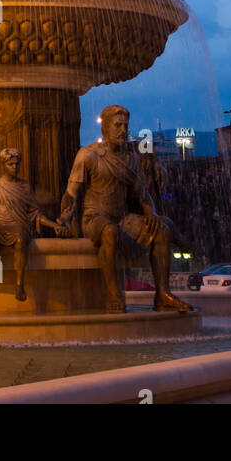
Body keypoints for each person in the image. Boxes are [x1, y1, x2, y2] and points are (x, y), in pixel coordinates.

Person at [59, 104, 192, 314]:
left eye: (125, 126)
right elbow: (72, 192)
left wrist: (152, 214)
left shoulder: (131, 159)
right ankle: (113, 293)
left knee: (161, 230)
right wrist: (65, 217)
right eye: (117, 125)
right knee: (110, 231)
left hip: (122, 218)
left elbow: (143, 194)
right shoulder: (88, 155)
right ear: (105, 129)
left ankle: (163, 295)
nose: (122, 130)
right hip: (95, 218)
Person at [0, 146, 66, 302]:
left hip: (19, 225)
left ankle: (19, 283)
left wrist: (55, 226)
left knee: (21, 240)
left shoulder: (25, 187)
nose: (15, 167)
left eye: (17, 164)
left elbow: (36, 213)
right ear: (3, 165)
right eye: (11, 164)